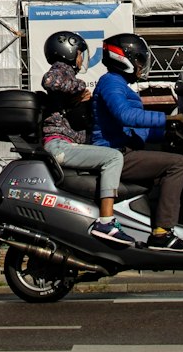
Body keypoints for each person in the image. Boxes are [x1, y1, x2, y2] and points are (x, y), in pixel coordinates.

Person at [91, 33, 183, 251]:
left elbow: (136, 130)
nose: (140, 65)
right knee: (178, 164)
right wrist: (166, 119)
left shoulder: (120, 85)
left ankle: (152, 226)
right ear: (122, 58)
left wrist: (166, 133)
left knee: (168, 164)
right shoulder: (111, 82)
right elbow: (125, 116)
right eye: (138, 59)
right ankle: (162, 233)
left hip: (124, 150)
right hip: (116, 153)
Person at [38, 30, 136, 247]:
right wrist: (80, 89)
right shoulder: (60, 70)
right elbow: (50, 81)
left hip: (63, 144)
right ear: (70, 51)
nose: (82, 59)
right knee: (113, 158)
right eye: (80, 53)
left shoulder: (65, 85)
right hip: (59, 145)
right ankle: (106, 222)